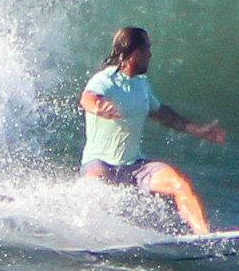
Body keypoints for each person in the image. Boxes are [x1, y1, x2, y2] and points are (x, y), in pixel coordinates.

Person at [79, 27, 226, 234]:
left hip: (135, 166)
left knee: (179, 183)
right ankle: (85, 235)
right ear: (136, 54)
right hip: (100, 163)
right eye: (148, 49)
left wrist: (196, 130)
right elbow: (87, 97)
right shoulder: (105, 80)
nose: (151, 55)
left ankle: (204, 238)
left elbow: (159, 112)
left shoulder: (141, 83)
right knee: (95, 189)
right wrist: (97, 107)